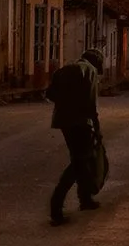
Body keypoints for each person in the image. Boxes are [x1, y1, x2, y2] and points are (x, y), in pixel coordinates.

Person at [46, 48, 107, 225]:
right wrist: (97, 129)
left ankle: (85, 199)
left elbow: (49, 94)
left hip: (63, 122)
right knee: (80, 162)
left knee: (80, 160)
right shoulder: (90, 72)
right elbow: (91, 104)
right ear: (97, 62)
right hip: (81, 122)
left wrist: (66, 103)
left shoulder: (65, 69)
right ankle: (56, 207)